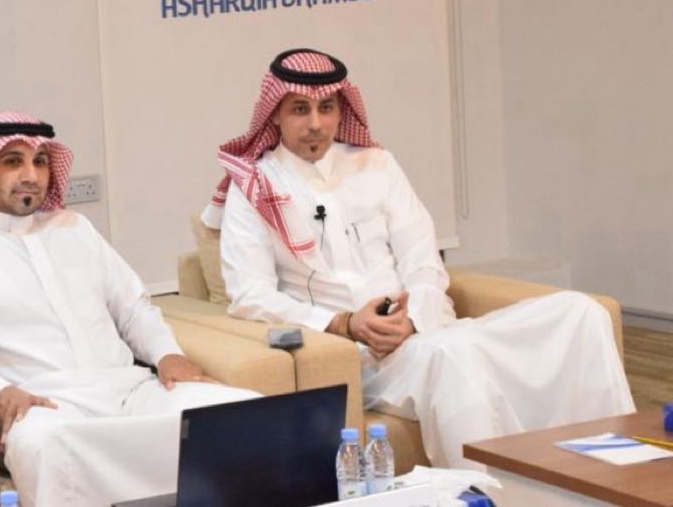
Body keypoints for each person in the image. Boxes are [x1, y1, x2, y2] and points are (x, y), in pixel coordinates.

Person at [205, 49, 635, 468]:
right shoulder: (253, 186)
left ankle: (614, 475)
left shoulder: (376, 165)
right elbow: (250, 295)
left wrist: (414, 319)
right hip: (361, 355)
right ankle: (484, 496)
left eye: (327, 107)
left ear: (341, 110)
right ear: (275, 114)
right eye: (300, 109)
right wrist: (345, 323)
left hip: (428, 328)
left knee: (581, 313)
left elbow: (424, 261)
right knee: (453, 354)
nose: (316, 123)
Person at [0, 112, 257, 507]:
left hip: (130, 390)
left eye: (40, 162)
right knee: (47, 445)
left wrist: (167, 354)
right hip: (44, 404)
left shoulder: (75, 228)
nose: (31, 175)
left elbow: (132, 306)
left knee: (243, 414)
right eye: (13, 162)